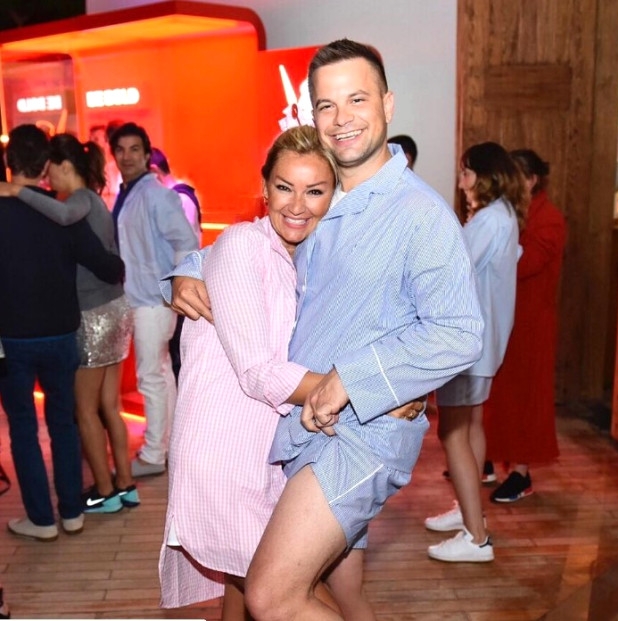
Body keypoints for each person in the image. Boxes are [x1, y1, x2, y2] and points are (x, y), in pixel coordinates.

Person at [168, 39, 483, 620]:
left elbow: (460, 333)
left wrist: (352, 380)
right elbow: (264, 246)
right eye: (326, 105)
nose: (342, 118)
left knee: (272, 595)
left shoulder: (419, 215)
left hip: (360, 436)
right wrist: (188, 270)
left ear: (387, 104)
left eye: (357, 99)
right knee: (329, 592)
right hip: (300, 430)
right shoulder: (328, 194)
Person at [161, 125, 397, 619]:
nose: (297, 205)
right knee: (286, 592)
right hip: (227, 452)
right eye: (285, 187)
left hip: (279, 448)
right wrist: (375, 391)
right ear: (264, 187)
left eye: (315, 191)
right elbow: (259, 371)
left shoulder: (316, 258)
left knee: (249, 585)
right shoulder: (244, 246)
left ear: (334, 194)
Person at [0, 133, 137, 513]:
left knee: (78, 412)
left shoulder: (73, 203)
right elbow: (107, 262)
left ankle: (101, 493)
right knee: (101, 408)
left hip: (85, 317)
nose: (49, 181)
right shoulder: (78, 202)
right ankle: (119, 488)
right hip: (103, 312)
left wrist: (16, 190)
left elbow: (92, 249)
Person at [425, 142, 525, 563]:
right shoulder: (503, 214)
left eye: (466, 173)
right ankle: (468, 510)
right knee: (470, 427)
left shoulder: (488, 220)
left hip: (468, 343)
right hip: (485, 342)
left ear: (484, 177)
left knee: (452, 433)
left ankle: (476, 537)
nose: (461, 180)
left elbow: (452, 270)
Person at [110, 122, 199, 478]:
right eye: (120, 150)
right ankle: (170, 445)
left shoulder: (156, 195)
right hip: (142, 297)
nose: (127, 156)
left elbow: (186, 242)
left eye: (135, 149)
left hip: (153, 299)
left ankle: (153, 453)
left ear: (147, 154)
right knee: (160, 373)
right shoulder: (127, 193)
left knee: (151, 375)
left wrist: (177, 289)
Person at [484, 149, 567, 503]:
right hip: (508, 317)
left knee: (526, 399)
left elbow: (526, 263)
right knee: (499, 395)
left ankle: (521, 471)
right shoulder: (513, 211)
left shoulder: (549, 218)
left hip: (531, 324)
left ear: (532, 180)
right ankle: (489, 458)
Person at [149, 146, 203, 384]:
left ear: (154, 172)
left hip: (182, 282)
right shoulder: (178, 197)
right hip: (178, 282)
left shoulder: (179, 199)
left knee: (179, 358)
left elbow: (179, 245)